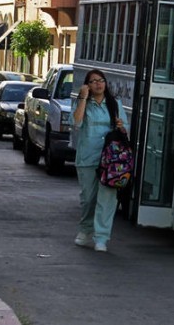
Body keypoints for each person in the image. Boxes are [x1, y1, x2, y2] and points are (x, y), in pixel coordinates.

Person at [71, 69, 129, 253]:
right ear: (87, 85)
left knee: (107, 199)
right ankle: (85, 230)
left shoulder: (115, 104)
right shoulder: (83, 104)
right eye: (93, 81)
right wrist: (82, 97)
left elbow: (125, 131)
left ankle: (102, 237)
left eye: (101, 80)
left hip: (111, 160)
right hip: (88, 156)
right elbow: (77, 122)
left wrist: (121, 127)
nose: (98, 84)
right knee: (88, 198)